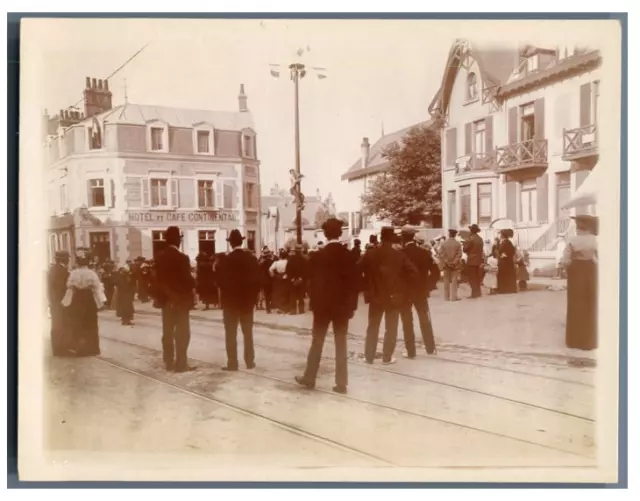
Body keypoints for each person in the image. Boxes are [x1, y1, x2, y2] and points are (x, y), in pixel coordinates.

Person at [295, 218, 359, 394]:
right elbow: (354, 284)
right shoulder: (349, 255)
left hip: (322, 307)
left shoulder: (318, 256)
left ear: (325, 234)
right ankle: (341, 383)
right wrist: (351, 307)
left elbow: (307, 277)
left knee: (317, 341)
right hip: (342, 307)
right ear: (340, 234)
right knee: (341, 343)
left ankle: (309, 377)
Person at [361, 226, 419, 365]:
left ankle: (369, 357)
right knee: (391, 328)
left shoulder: (370, 254)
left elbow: (357, 270)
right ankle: (387, 357)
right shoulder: (400, 255)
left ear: (381, 238)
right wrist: (402, 287)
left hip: (375, 295)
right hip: (394, 296)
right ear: (392, 239)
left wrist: (367, 287)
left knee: (373, 326)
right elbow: (414, 273)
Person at [216, 229, 261, 371]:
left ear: (230, 244)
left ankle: (232, 363)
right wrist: (253, 297)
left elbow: (219, 281)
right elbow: (258, 281)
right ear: (241, 242)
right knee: (248, 333)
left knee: (230, 333)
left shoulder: (225, 260)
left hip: (230, 303)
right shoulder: (251, 259)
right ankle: (249, 361)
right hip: (247, 302)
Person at [154, 226, 197, 372]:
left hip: (166, 300)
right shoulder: (182, 258)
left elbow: (156, 280)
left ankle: (168, 361)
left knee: (167, 331)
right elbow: (187, 280)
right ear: (178, 240)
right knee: (182, 333)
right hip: (181, 300)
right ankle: (181, 363)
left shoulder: (159, 257)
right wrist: (194, 282)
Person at [399, 227, 437, 358]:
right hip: (421, 291)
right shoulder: (424, 253)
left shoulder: (400, 254)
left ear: (403, 239)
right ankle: (430, 348)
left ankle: (410, 351)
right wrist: (429, 285)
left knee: (407, 321)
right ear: (414, 238)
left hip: (405, 292)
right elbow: (436, 272)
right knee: (424, 318)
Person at [562, 215, 598, 351]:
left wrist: (567, 267)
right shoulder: (595, 240)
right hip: (591, 272)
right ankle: (590, 341)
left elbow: (566, 260)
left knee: (576, 304)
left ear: (578, 227)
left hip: (576, 273)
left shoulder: (572, 240)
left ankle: (574, 340)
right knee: (590, 305)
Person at [61, 250, 105, 356]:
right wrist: (101, 301)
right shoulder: (91, 273)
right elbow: (97, 286)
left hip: (77, 299)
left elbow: (69, 286)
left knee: (78, 324)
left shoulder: (73, 273)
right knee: (91, 324)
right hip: (89, 299)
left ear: (78, 263)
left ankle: (80, 348)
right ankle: (92, 348)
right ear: (87, 263)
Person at [48, 251, 71, 356]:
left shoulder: (55, 269)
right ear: (62, 259)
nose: (68, 260)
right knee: (59, 325)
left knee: (60, 324)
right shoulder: (59, 270)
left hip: (58, 302)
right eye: (67, 258)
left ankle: (60, 348)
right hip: (59, 302)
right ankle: (60, 349)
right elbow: (57, 288)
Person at [438, 229, 463, 302]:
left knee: (446, 281)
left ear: (449, 234)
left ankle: (446, 297)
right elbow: (459, 255)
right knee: (454, 281)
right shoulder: (458, 244)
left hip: (446, 265)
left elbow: (441, 254)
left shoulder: (444, 243)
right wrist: (454, 262)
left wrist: (447, 261)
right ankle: (454, 297)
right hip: (455, 266)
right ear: (455, 235)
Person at [464, 224, 485, 299]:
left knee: (472, 277)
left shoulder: (470, 239)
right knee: (477, 277)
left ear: (471, 231)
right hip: (478, 260)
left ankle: (474, 293)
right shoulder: (480, 239)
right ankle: (478, 292)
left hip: (472, 260)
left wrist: (465, 242)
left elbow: (465, 249)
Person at [286, 244, 307, 315]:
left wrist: (291, 278)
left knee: (293, 295)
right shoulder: (304, 259)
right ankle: (301, 310)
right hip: (301, 279)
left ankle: (293, 310)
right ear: (301, 251)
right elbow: (306, 270)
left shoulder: (291, 259)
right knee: (301, 295)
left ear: (295, 250)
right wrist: (301, 278)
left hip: (293, 280)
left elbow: (288, 270)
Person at [497, 229, 518, 294]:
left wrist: (503, 254)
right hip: (509, 262)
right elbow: (512, 251)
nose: (500, 235)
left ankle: (503, 289)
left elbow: (500, 250)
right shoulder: (508, 242)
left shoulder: (504, 242)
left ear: (503, 235)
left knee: (503, 275)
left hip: (504, 262)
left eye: (500, 234)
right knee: (509, 275)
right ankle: (510, 289)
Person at [258, 247, 275, 313]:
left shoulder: (262, 263)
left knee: (266, 294)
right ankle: (270, 305)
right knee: (271, 293)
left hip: (264, 280)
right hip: (271, 280)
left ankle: (268, 308)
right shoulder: (272, 262)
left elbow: (259, 269)